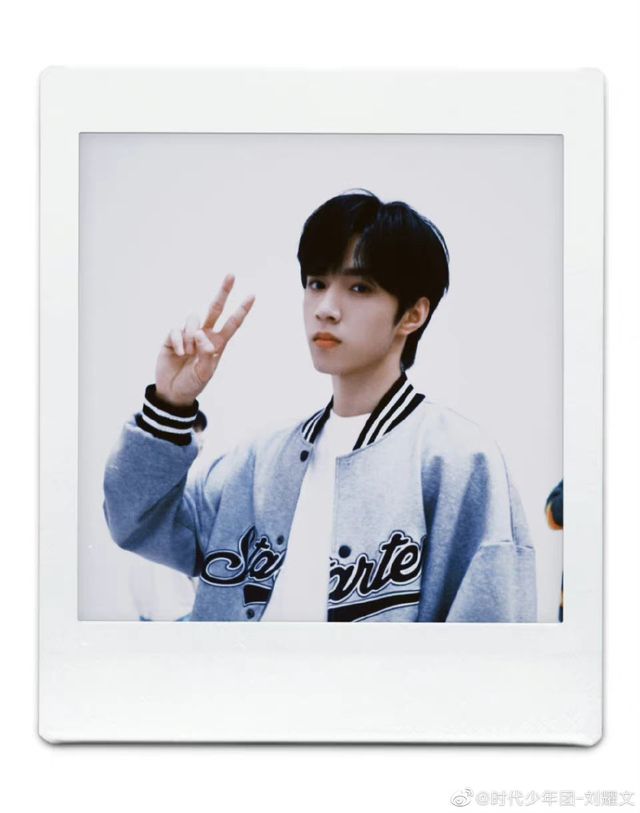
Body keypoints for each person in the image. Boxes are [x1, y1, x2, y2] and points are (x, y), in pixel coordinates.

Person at [103, 190, 537, 622]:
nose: (326, 309)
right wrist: (171, 403)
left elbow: (492, 634)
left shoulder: (457, 459)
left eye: (359, 287)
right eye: (316, 284)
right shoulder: (259, 461)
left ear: (412, 314)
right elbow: (137, 524)